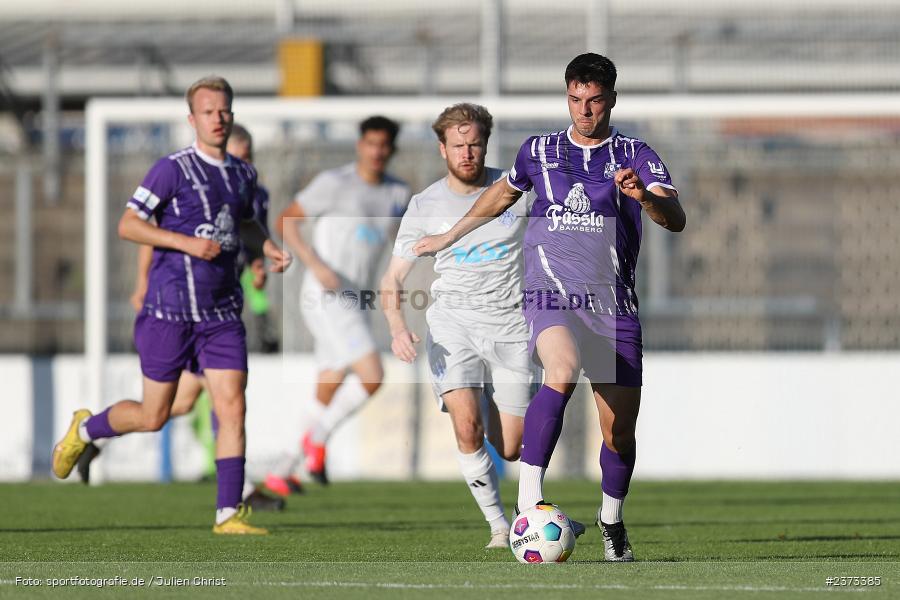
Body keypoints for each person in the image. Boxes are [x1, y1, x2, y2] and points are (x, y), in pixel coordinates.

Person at [413, 54, 685, 561]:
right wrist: (449, 235)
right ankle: (529, 498)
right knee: (561, 367)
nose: (585, 111)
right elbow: (499, 196)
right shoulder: (539, 150)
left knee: (617, 431)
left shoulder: (636, 154)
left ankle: (611, 522)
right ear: (567, 97)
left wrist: (644, 197)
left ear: (611, 100)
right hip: (549, 291)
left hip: (611, 303)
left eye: (595, 100)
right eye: (576, 99)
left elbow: (675, 218)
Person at [51, 76, 292, 535]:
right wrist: (182, 242)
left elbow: (245, 225)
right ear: (192, 119)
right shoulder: (171, 169)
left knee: (232, 405)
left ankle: (227, 514)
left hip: (221, 314)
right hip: (170, 311)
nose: (218, 119)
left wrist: (268, 248)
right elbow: (128, 225)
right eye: (208, 112)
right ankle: (86, 430)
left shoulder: (242, 174)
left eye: (224, 111)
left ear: (232, 115)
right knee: (155, 414)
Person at [381, 103, 537, 549]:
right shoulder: (425, 204)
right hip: (454, 325)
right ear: (441, 148)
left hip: (510, 323)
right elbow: (392, 279)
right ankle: (499, 526)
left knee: (510, 446)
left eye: (475, 145)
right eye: (458, 146)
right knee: (466, 426)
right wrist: (396, 326)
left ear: (485, 144)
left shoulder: (516, 189)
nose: (467, 153)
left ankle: (494, 410)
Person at [269, 116, 410, 492]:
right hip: (325, 295)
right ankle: (318, 441)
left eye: (384, 145)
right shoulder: (334, 184)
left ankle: (282, 469)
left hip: (356, 299)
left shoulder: (397, 194)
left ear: (391, 150)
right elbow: (286, 220)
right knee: (372, 374)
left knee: (328, 387)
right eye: (370, 143)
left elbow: (403, 242)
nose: (376, 151)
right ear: (360, 145)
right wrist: (316, 265)